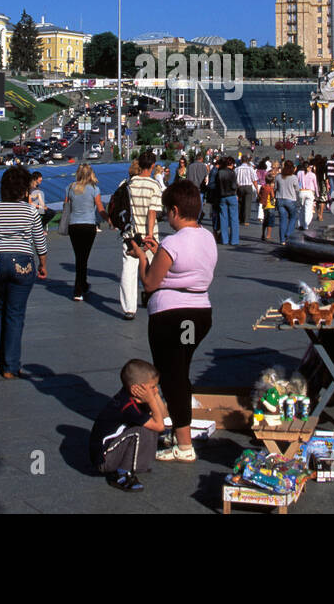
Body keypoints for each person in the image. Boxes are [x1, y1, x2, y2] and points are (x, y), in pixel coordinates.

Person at [133, 180, 215, 464]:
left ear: (176, 210)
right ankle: (179, 425)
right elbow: (186, 269)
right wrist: (158, 253)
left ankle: (183, 442)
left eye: (168, 211)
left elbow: (150, 284)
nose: (168, 215)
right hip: (199, 315)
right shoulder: (207, 237)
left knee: (172, 376)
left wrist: (143, 256)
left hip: (171, 315)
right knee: (180, 369)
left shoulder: (172, 243)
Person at [0, 165, 47, 378]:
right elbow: (40, 241)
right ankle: (10, 366)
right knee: (15, 313)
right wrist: (43, 264)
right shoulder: (30, 210)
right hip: (22, 262)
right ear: (24, 190)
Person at [89, 358, 169, 492]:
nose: (156, 390)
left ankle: (133, 464)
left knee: (150, 424)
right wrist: (150, 400)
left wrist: (153, 397)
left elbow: (164, 416)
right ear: (136, 389)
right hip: (104, 460)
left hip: (113, 449)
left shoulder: (137, 397)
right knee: (142, 430)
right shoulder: (127, 405)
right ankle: (122, 473)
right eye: (152, 387)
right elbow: (160, 426)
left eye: (156, 386)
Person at [116, 152, 163, 320]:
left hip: (129, 235)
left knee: (128, 269)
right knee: (152, 268)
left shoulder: (126, 183)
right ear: (152, 166)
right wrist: (150, 235)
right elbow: (152, 213)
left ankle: (129, 308)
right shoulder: (154, 186)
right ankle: (151, 297)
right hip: (148, 234)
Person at [65, 163, 105, 301]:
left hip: (74, 225)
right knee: (84, 257)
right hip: (88, 225)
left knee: (79, 256)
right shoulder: (94, 189)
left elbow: (66, 206)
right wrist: (109, 219)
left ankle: (82, 284)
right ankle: (79, 289)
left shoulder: (70, 188)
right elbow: (100, 208)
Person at [273, 160, 300, 244]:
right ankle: (288, 233)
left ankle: (282, 240)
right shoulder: (294, 177)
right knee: (293, 217)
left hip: (280, 199)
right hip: (290, 199)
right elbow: (297, 189)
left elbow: (275, 188)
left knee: (282, 220)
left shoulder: (278, 176)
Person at [216, 156, 238, 246]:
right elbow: (233, 186)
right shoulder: (232, 173)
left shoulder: (219, 172)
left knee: (223, 218)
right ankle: (234, 240)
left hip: (222, 196)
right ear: (231, 164)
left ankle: (225, 239)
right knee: (234, 219)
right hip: (231, 195)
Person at [235, 156, 256, 227]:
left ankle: (240, 219)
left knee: (240, 203)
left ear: (241, 161)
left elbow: (234, 180)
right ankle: (246, 220)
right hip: (248, 186)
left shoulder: (237, 169)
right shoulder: (250, 169)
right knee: (247, 204)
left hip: (240, 187)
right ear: (247, 161)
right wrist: (257, 188)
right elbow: (254, 179)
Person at [297, 159, 318, 228]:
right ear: (309, 167)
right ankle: (306, 224)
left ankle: (300, 223)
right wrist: (317, 194)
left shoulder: (299, 173)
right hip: (310, 192)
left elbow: (297, 182)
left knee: (301, 209)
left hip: (301, 191)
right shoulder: (312, 175)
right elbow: (315, 185)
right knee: (308, 209)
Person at [258, 173, 276, 242]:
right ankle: (268, 235)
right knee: (270, 221)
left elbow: (259, 195)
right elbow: (273, 196)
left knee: (265, 220)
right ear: (271, 182)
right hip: (270, 206)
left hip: (264, 206)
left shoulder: (262, 187)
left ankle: (263, 234)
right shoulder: (270, 188)